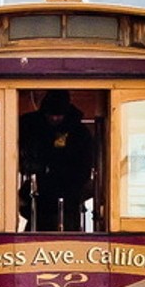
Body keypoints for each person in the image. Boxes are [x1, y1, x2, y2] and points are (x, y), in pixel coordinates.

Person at [20, 90, 94, 230]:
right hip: (40, 193)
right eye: (51, 115)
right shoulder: (31, 126)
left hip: (69, 194)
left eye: (58, 115)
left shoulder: (79, 133)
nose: (54, 118)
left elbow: (85, 165)